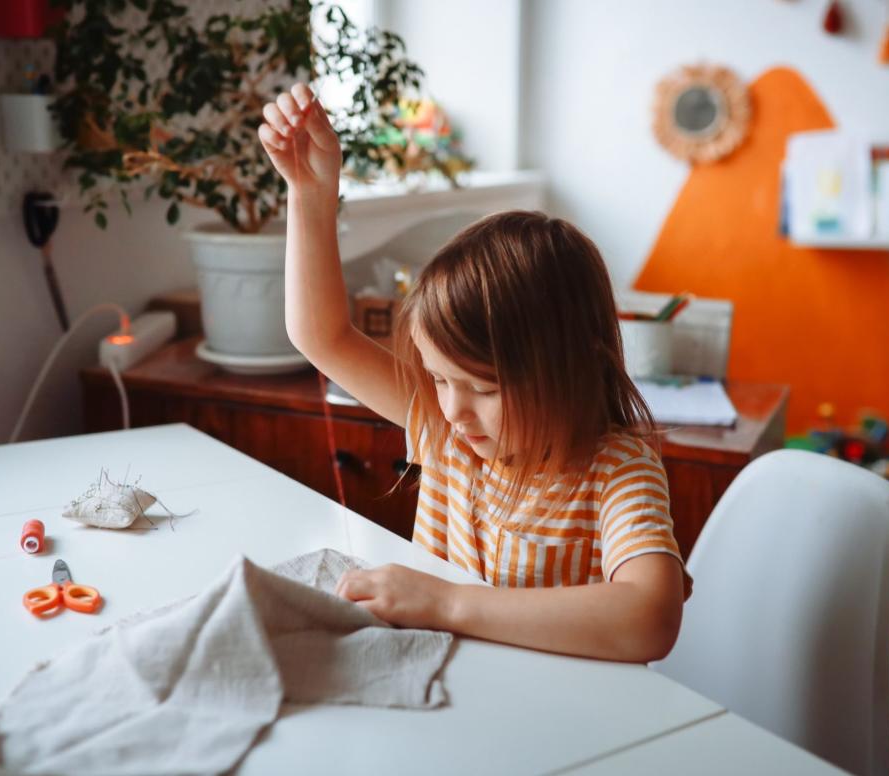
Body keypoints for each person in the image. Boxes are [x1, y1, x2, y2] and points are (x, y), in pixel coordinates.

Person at [258, 83, 688, 663]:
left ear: (572, 369)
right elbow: (323, 336)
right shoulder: (447, 425)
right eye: (438, 378)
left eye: (485, 387)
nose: (453, 408)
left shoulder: (617, 469)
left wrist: (446, 603)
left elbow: (651, 619)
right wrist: (310, 193)